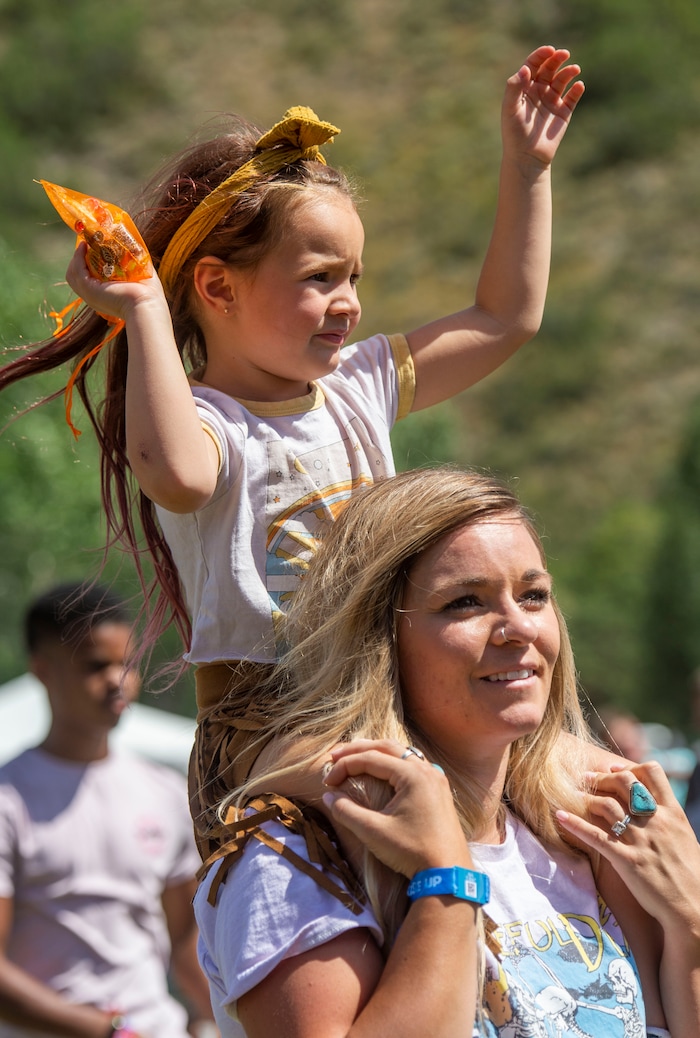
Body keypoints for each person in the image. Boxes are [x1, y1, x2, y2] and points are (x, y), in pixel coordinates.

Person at [0, 47, 585, 851]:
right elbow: (174, 475)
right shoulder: (209, 421)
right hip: (266, 725)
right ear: (217, 287)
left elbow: (504, 317)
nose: (346, 302)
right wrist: (139, 309)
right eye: (319, 277)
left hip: (381, 700)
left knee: (565, 786)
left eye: (355, 276)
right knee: (413, 808)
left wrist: (526, 169)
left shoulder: (361, 384)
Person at [193, 468, 700, 1037]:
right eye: (465, 602)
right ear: (377, 639)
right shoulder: (294, 855)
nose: (517, 627)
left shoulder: (592, 834)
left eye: (533, 596)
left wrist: (693, 922)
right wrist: (446, 879)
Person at [0, 583, 218, 1038]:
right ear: (42, 670)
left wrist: (220, 1019)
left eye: (128, 664)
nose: (119, 680)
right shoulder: (9, 799)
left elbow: (185, 942)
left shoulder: (163, 791)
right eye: (97, 665)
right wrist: (107, 1031)